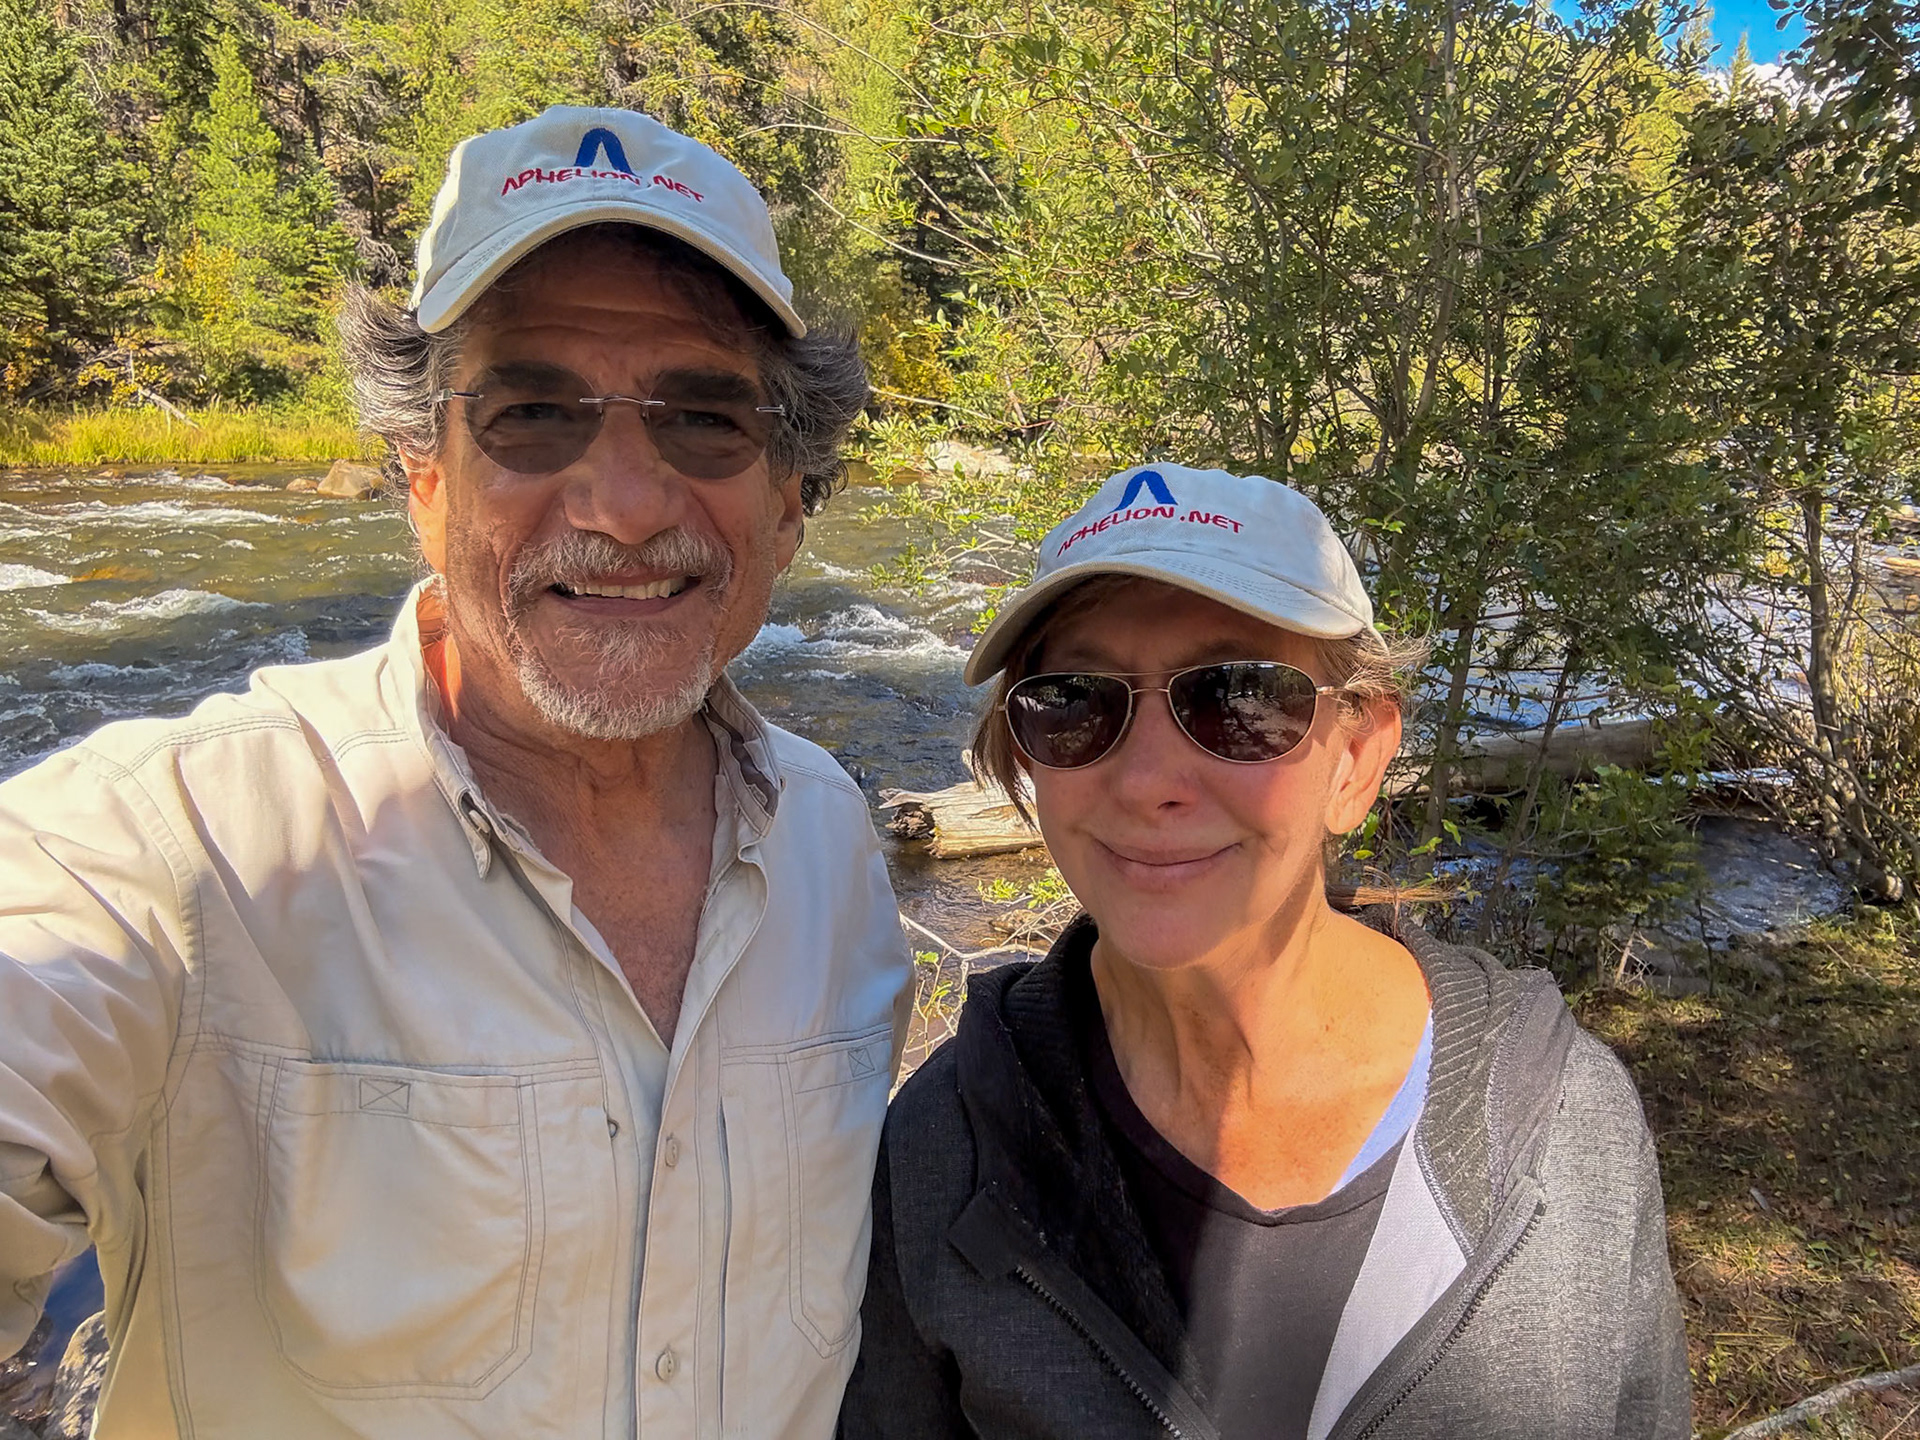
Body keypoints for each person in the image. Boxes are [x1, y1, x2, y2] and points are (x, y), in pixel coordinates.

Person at [0, 105, 910, 1439]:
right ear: (422, 475)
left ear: (789, 494)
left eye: (704, 418)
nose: (624, 503)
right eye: (533, 413)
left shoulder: (834, 844)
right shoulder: (178, 846)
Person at [840, 465, 1690, 1439]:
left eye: (1239, 698)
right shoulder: (943, 1148)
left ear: (1358, 759)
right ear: (1024, 755)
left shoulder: (1565, 1126)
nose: (1152, 779)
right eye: (1074, 701)